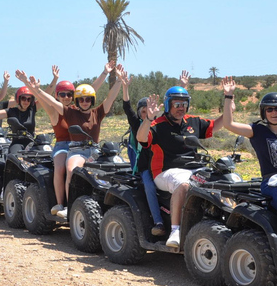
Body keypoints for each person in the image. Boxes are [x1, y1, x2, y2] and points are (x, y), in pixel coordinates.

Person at [221, 77, 277, 274]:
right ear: (263, 112)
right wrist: (228, 96)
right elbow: (228, 123)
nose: (274, 112)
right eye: (269, 109)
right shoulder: (257, 131)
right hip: (272, 182)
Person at [17, 63, 112, 217]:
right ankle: (62, 203)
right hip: (63, 146)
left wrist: (104, 73)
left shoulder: (78, 108)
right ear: (57, 96)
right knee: (61, 168)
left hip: (81, 145)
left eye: (69, 94)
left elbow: (92, 89)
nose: (66, 97)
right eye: (62, 94)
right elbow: (43, 97)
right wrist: (29, 84)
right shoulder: (55, 110)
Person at [137, 86, 224, 248]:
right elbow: (141, 139)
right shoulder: (158, 124)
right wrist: (148, 119)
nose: (181, 108)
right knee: (183, 184)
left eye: (184, 104)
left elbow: (220, 124)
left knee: (223, 179)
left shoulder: (193, 122)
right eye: (177, 104)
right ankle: (175, 230)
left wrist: (228, 100)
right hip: (165, 172)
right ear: (168, 104)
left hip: (196, 169)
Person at [118, 67, 189, 237]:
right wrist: (125, 87)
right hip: (145, 167)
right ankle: (158, 222)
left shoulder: (157, 124)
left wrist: (182, 85)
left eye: (148, 111)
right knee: (149, 187)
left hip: (161, 166)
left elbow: (176, 107)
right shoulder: (137, 125)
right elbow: (127, 107)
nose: (146, 114)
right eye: (143, 112)